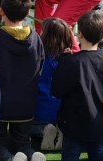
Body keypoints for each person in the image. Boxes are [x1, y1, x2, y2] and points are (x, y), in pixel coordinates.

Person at [51, 12, 103, 161]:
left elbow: (56, 90)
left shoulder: (72, 62)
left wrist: (63, 60)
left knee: (70, 157)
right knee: (97, 154)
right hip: (99, 122)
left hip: (75, 125)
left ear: (80, 34)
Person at [0, 0, 46, 161]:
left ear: (1, 11)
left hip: (0, 106)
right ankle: (32, 156)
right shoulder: (36, 40)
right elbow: (40, 68)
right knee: (23, 144)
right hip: (26, 104)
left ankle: (10, 159)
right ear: (27, 14)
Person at [33, 18, 74, 151]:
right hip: (62, 112)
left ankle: (43, 130)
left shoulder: (37, 56)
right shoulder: (69, 60)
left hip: (39, 111)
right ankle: (60, 130)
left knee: (24, 128)